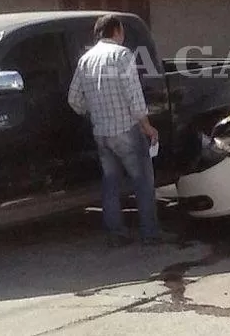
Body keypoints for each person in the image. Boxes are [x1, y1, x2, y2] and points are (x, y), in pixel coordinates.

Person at [67, 15, 173, 247]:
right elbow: (133, 95)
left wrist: (92, 112)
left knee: (111, 184)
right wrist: (147, 126)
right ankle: (150, 233)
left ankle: (116, 234)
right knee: (143, 181)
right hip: (126, 129)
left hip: (101, 132)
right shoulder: (122, 55)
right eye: (121, 31)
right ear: (115, 31)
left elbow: (73, 99)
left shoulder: (85, 60)